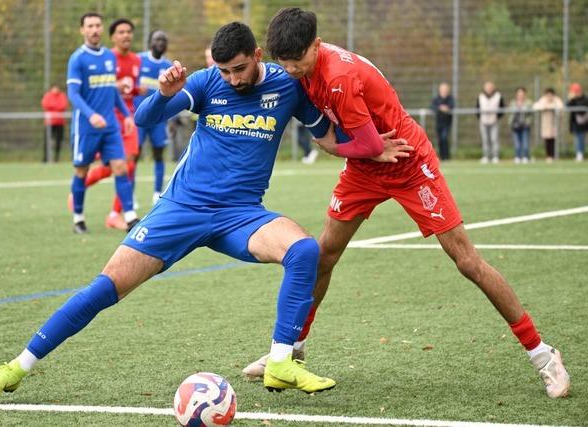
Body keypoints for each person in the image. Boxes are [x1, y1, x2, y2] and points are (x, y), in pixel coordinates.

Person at [0, 21, 409, 400]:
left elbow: (328, 140)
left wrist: (372, 151)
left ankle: (280, 361)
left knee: (305, 251)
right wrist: (164, 95)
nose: (233, 79)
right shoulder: (204, 83)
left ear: (257, 55)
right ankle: (16, 367)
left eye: (240, 68)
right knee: (106, 288)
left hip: (241, 215)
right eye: (225, 71)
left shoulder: (287, 86)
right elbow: (143, 120)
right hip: (182, 209)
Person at [243, 7, 571, 400]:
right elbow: (366, 149)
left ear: (316, 45)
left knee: (467, 261)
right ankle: (290, 351)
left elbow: (366, 143)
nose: (293, 71)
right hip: (365, 169)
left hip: (409, 164)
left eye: (298, 63)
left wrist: (331, 145)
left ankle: (543, 354)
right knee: (324, 254)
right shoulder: (306, 67)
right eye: (286, 64)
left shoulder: (339, 78)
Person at [62, 13, 138, 234]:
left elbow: (111, 91)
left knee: (121, 167)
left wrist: (126, 115)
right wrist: (90, 115)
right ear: (82, 30)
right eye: (90, 26)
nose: (94, 30)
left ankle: (131, 216)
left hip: (111, 126)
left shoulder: (108, 56)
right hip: (86, 128)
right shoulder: (77, 58)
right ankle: (78, 218)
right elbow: (73, 94)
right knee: (81, 171)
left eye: (97, 25)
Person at [135, 30, 172, 204]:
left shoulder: (169, 66)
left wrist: (172, 118)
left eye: (164, 40)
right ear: (150, 42)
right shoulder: (138, 60)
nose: (161, 42)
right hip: (138, 118)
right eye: (157, 39)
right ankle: (131, 195)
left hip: (159, 119)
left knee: (159, 154)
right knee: (133, 156)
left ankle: (157, 193)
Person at [476, 81, 504, 164]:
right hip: (483, 121)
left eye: (490, 87)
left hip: (494, 121)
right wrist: (480, 118)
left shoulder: (498, 96)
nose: (489, 89)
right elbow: (477, 108)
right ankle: (486, 156)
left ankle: (495, 156)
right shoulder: (480, 96)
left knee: (494, 139)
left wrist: (497, 117)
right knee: (485, 140)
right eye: (487, 87)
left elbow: (502, 108)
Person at [534, 88, 564, 164]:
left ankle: (554, 155)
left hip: (554, 124)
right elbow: (536, 106)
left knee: (554, 140)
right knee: (547, 140)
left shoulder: (556, 100)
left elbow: (560, 107)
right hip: (546, 124)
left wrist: (551, 106)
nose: (549, 96)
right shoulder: (543, 100)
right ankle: (548, 156)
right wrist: (546, 106)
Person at [41, 85, 68, 163]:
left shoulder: (62, 96)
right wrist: (55, 107)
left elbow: (63, 106)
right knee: (47, 141)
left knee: (58, 141)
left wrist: (52, 107)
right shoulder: (48, 95)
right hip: (49, 122)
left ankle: (56, 158)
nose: (55, 89)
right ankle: (45, 159)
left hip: (60, 122)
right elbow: (45, 105)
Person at [430, 82, 454, 161]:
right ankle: (442, 156)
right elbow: (432, 107)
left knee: (444, 138)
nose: (444, 91)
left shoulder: (450, 98)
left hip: (447, 123)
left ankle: (446, 156)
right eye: (442, 89)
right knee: (440, 139)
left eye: (445, 89)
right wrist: (440, 108)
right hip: (439, 122)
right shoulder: (436, 98)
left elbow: (452, 106)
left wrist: (446, 108)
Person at [509, 87, 533, 164]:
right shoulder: (513, 103)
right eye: (519, 93)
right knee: (517, 143)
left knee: (525, 143)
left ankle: (525, 156)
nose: (520, 95)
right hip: (515, 125)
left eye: (522, 93)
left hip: (525, 125)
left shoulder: (529, 103)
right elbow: (510, 114)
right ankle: (517, 157)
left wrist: (528, 122)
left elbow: (530, 114)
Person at [567, 83, 588, 162]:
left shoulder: (585, 98)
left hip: (583, 122)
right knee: (577, 138)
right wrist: (571, 99)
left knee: (581, 138)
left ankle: (580, 153)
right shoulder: (573, 99)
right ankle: (578, 153)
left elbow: (581, 108)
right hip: (575, 123)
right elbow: (567, 105)